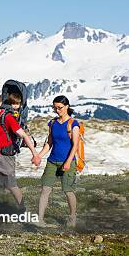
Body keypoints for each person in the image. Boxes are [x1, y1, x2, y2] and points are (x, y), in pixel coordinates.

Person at [0, 93, 39, 213]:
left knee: (11, 186)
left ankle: (22, 209)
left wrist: (35, 154)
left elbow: (23, 135)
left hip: (4, 157)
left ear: (0, 104)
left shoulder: (7, 117)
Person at [32, 95, 80, 227]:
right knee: (45, 189)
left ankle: (72, 217)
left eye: (60, 108)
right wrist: (39, 156)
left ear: (67, 107)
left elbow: (75, 145)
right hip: (52, 161)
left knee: (68, 190)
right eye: (55, 108)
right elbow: (49, 142)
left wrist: (68, 162)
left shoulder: (73, 124)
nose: (57, 110)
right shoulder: (52, 123)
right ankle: (40, 220)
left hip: (68, 162)